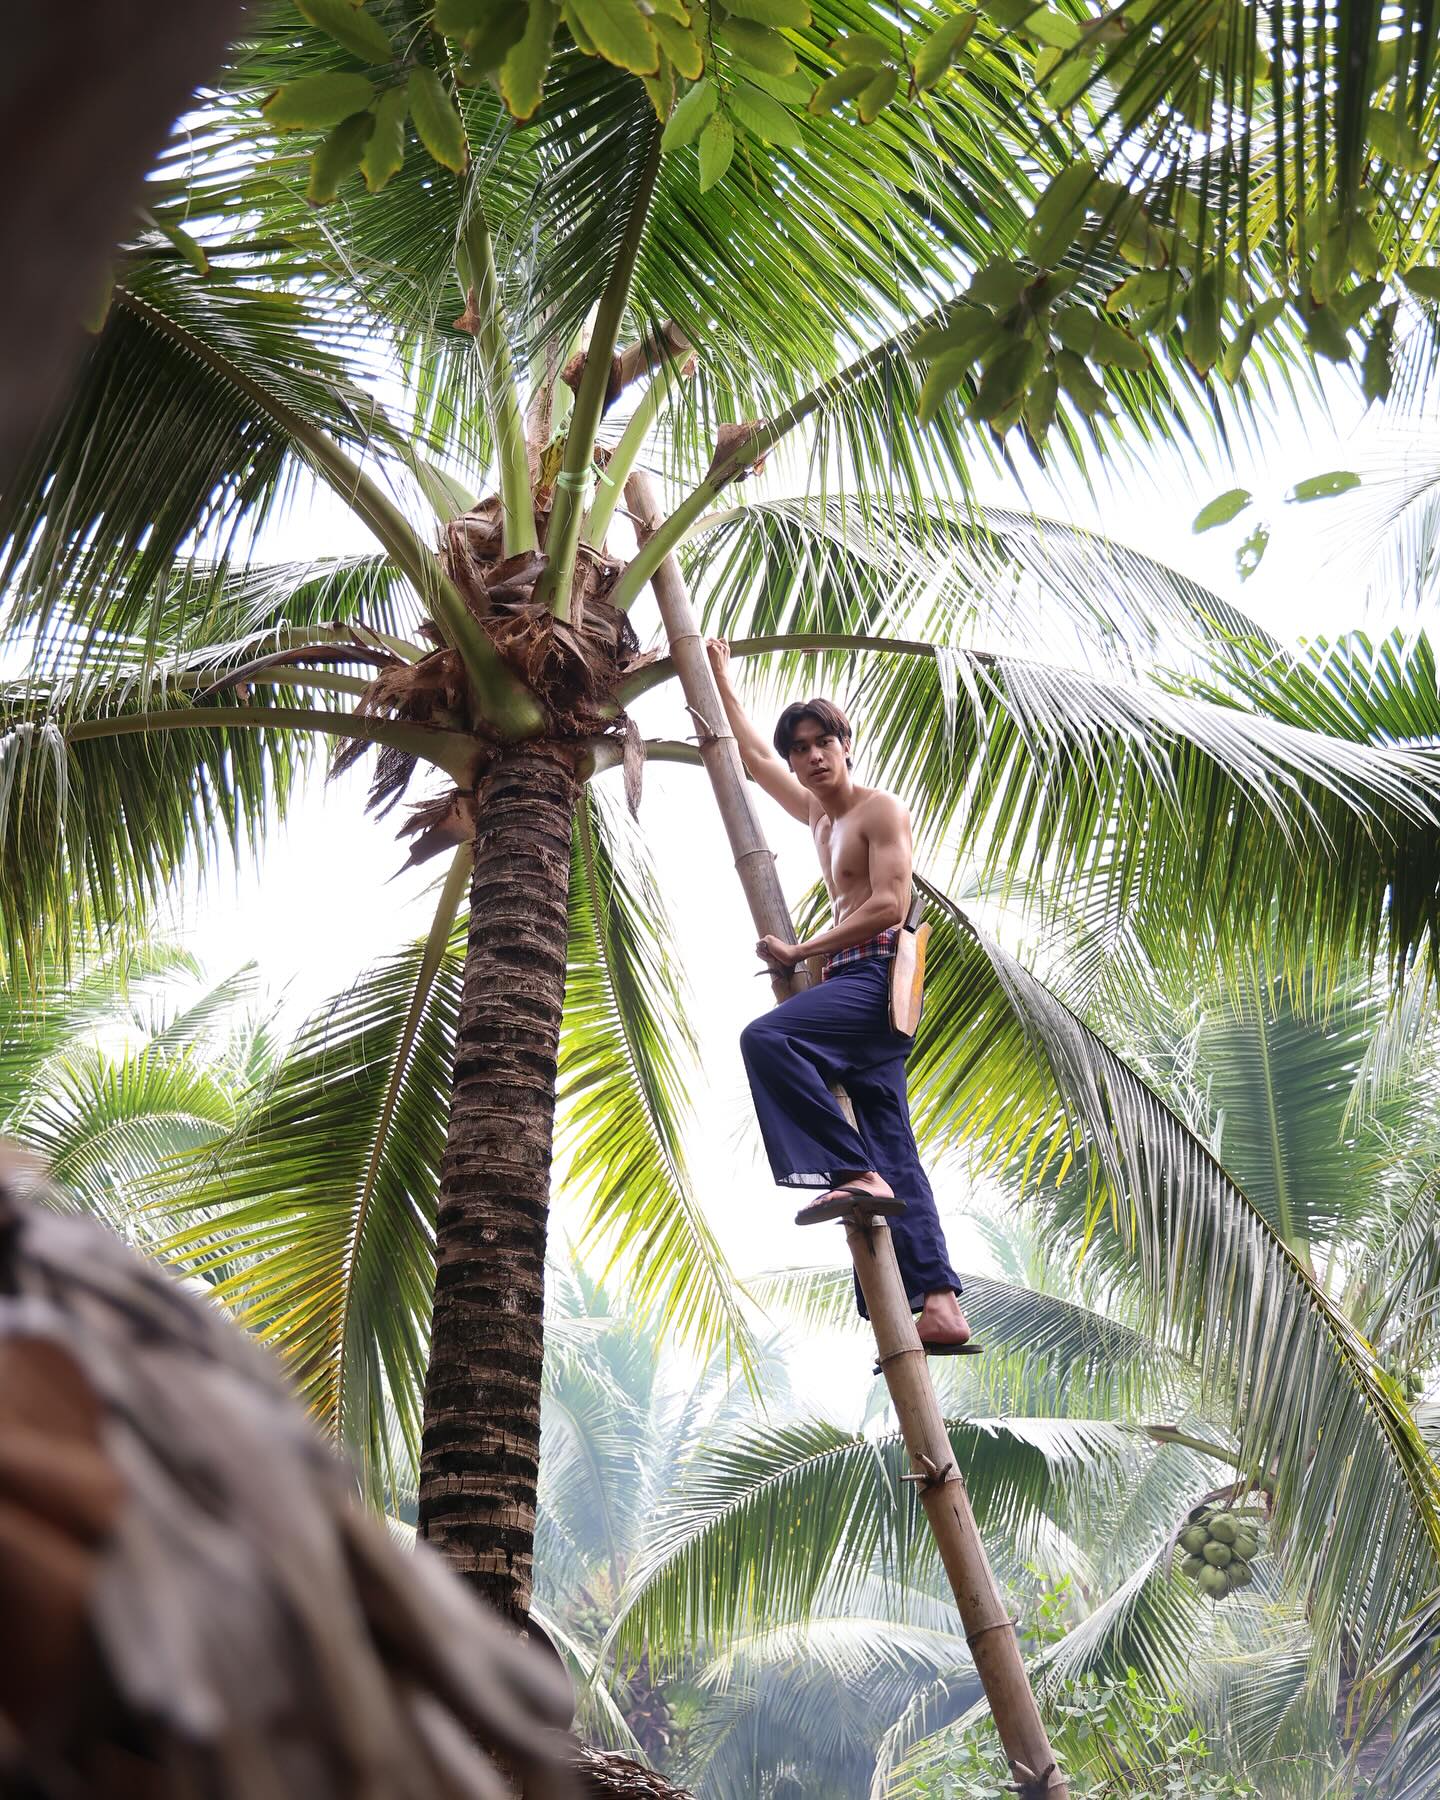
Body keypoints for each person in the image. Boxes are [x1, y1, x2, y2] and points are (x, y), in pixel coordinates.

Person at [706, 639, 971, 1350]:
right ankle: (941, 1303)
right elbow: (753, 763)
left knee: (768, 1039)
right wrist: (722, 679)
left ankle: (850, 1171)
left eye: (826, 741)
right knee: (896, 1147)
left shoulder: (877, 811)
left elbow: (889, 903)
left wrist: (801, 951)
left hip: (876, 982)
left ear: (846, 746)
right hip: (852, 983)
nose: (815, 756)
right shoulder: (818, 816)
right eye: (803, 747)